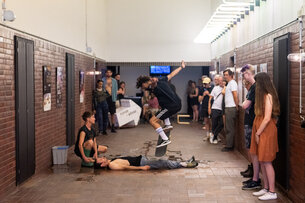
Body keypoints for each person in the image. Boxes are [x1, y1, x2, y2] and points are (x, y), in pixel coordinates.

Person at [136, 60, 185, 148]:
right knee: (161, 107)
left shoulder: (154, 84)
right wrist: (181, 67)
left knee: (152, 121)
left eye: (142, 86)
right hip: (177, 103)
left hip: (171, 106)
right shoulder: (163, 80)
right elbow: (172, 74)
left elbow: (153, 83)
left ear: (144, 83)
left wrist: (153, 80)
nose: (143, 89)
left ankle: (165, 139)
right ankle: (168, 124)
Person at [249, 72, 280, 201]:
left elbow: (267, 118)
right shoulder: (263, 96)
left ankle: (272, 191)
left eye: (257, 83)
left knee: (266, 161)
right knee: (261, 160)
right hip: (260, 128)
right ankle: (266, 188)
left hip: (265, 130)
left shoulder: (268, 96)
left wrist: (258, 132)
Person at [239, 65, 261, 190]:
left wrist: (244, 102)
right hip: (251, 121)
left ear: (248, 73)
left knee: (253, 151)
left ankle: (256, 179)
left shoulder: (255, 87)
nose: (244, 77)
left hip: (252, 123)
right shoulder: (254, 87)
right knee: (252, 151)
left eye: (244, 74)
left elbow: (245, 105)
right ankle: (255, 177)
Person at [95, 155, 198, 170]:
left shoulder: (110, 161)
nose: (101, 157)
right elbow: (126, 167)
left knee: (161, 161)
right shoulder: (112, 165)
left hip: (141, 159)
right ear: (102, 164)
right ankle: (184, 164)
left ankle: (183, 162)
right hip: (141, 163)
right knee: (162, 162)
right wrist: (141, 168)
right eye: (100, 160)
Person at [222, 69, 238, 152]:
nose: (225, 76)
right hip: (228, 107)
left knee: (229, 128)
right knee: (228, 127)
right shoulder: (229, 84)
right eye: (224, 75)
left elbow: (235, 95)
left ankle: (229, 146)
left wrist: (236, 106)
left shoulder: (233, 83)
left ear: (231, 75)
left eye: (226, 74)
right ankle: (228, 144)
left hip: (231, 107)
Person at [208, 75, 224, 144]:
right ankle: (214, 137)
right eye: (219, 80)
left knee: (221, 123)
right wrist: (209, 108)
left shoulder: (226, 88)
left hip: (222, 109)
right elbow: (210, 98)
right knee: (214, 123)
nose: (220, 82)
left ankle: (214, 135)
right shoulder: (215, 88)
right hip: (215, 108)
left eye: (221, 80)